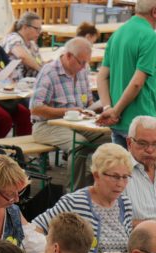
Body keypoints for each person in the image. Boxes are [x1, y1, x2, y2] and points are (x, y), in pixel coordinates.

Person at [30, 37, 106, 190]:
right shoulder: (50, 72)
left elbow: (88, 104)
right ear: (69, 56)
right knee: (79, 143)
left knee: (110, 138)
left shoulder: (82, 71)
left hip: (78, 122)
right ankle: (74, 193)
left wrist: (101, 107)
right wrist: (67, 111)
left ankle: (96, 188)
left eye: (87, 62)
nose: (85, 66)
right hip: (46, 125)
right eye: (82, 62)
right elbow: (35, 108)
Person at [33, 143, 133, 253]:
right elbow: (35, 227)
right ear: (97, 175)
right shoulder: (75, 202)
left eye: (125, 177)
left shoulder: (125, 204)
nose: (120, 184)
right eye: (115, 177)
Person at [96, 0, 156, 146]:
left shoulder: (117, 33)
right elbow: (137, 83)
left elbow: (102, 77)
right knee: (140, 168)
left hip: (117, 121)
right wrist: (115, 111)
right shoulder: (150, 36)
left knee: (121, 167)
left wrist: (109, 108)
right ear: (155, 11)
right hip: (140, 122)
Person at [2, 12, 43, 81]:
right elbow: (22, 56)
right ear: (25, 27)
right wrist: (41, 70)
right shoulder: (13, 38)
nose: (39, 32)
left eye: (40, 29)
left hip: (31, 82)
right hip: (16, 84)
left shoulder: (32, 43)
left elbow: (38, 62)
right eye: (36, 29)